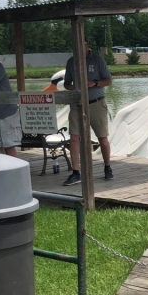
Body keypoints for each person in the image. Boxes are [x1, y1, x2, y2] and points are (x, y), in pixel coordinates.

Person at [62, 39, 113, 185]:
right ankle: (75, 172)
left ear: (87, 44)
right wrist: (71, 87)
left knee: (102, 138)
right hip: (77, 104)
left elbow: (108, 80)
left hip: (96, 103)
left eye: (82, 44)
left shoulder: (97, 60)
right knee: (73, 137)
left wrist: (94, 83)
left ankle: (107, 167)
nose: (80, 47)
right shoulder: (71, 62)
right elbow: (66, 82)